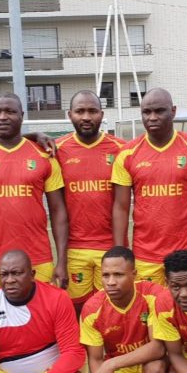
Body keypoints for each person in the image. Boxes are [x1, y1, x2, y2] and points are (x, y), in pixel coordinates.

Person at [0, 93, 69, 297]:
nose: (2, 117)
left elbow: (58, 210)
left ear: (22, 115)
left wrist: (62, 261)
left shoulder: (45, 155)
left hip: (38, 258)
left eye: (10, 111)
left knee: (39, 314)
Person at [111, 88, 187, 284]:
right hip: (145, 254)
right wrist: (119, 254)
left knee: (185, 302)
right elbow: (121, 207)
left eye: (159, 111)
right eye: (146, 112)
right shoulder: (127, 153)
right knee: (148, 304)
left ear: (173, 111)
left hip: (186, 252)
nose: (152, 117)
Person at [56, 90, 126, 312]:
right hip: (75, 248)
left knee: (111, 309)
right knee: (77, 310)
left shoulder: (121, 149)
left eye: (92, 111)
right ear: (70, 115)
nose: (86, 117)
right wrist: (33, 135)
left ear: (101, 115)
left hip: (110, 246)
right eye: (80, 111)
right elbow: (20, 147)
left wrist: (119, 250)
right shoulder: (56, 149)